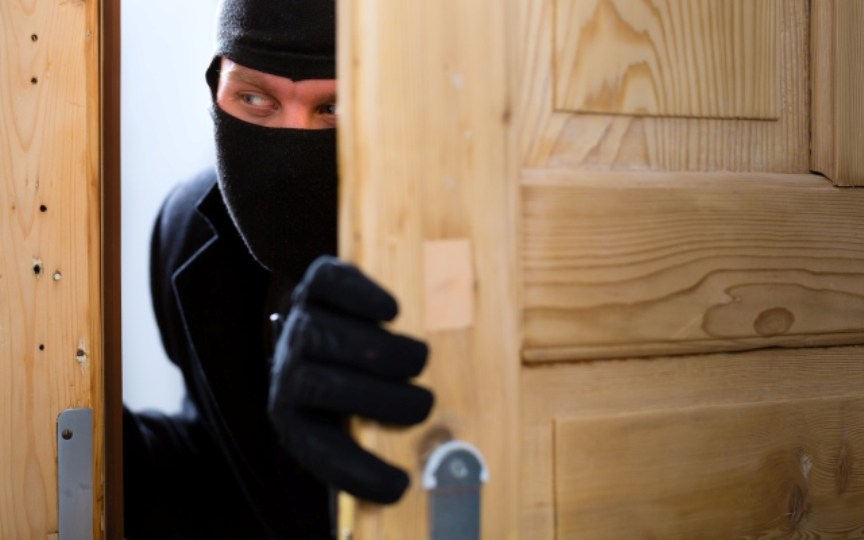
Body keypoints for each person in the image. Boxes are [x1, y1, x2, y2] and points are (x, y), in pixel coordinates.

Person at [122, 0, 433, 537]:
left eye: (334, 107)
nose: (291, 147)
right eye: (253, 99)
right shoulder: (188, 232)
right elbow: (224, 461)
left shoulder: (456, 259)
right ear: (216, 85)